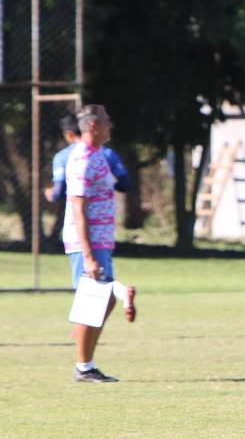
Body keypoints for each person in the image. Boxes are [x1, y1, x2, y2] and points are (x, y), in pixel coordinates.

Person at [64, 105, 135, 383]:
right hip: (88, 244)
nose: (111, 124)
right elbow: (77, 208)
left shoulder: (98, 156)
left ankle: (86, 362)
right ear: (93, 126)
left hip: (100, 242)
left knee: (105, 300)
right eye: (106, 121)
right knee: (93, 301)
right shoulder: (82, 159)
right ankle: (84, 367)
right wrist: (89, 254)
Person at [44, 113, 132, 204]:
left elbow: (59, 192)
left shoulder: (62, 157)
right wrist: (104, 186)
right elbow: (126, 184)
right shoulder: (107, 153)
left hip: (76, 214)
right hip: (103, 214)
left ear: (68, 135)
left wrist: (51, 194)